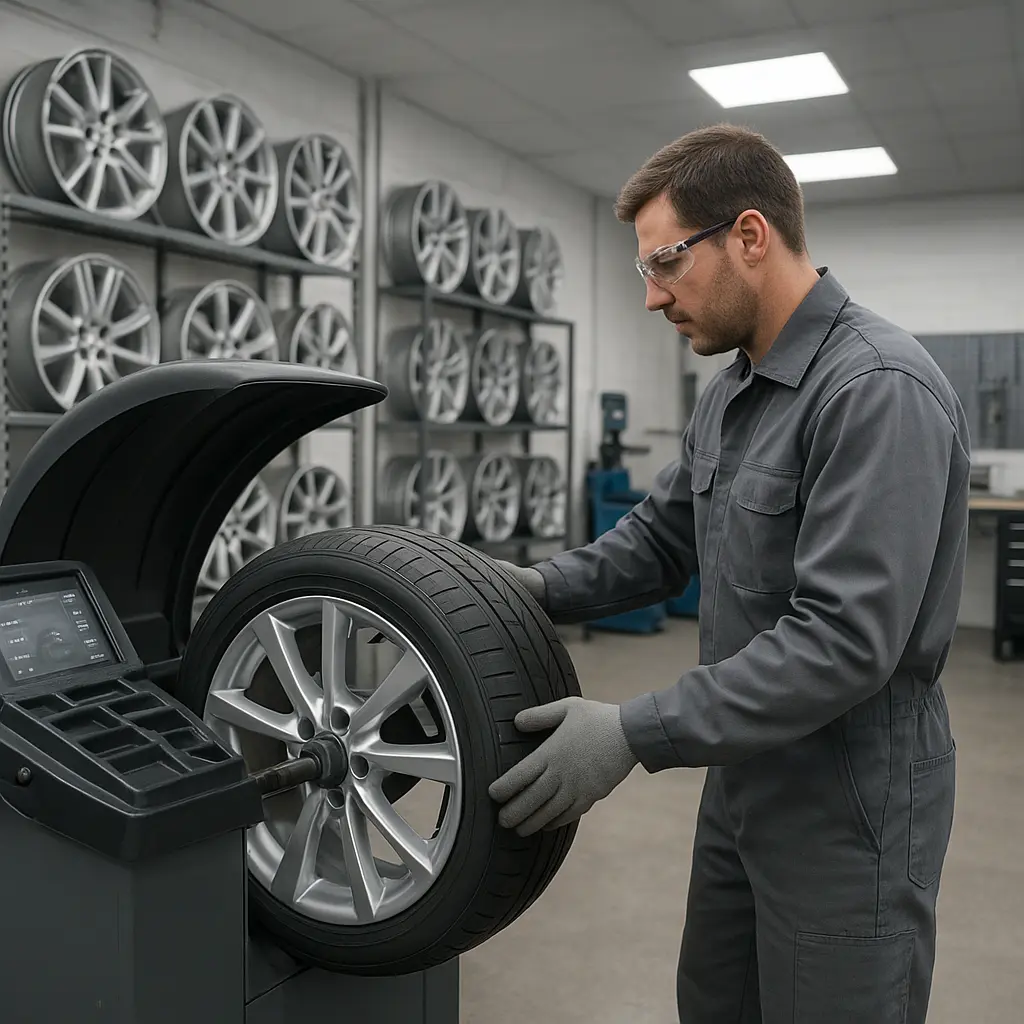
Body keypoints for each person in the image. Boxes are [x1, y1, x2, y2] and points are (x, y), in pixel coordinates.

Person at [487, 124, 969, 1024]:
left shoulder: (875, 389)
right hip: (743, 778)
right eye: (644, 271)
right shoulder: (736, 389)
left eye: (665, 262)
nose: (651, 296)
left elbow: (843, 642)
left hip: (850, 804)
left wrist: (634, 730)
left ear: (750, 236)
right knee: (715, 1004)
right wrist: (527, 590)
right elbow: (661, 544)